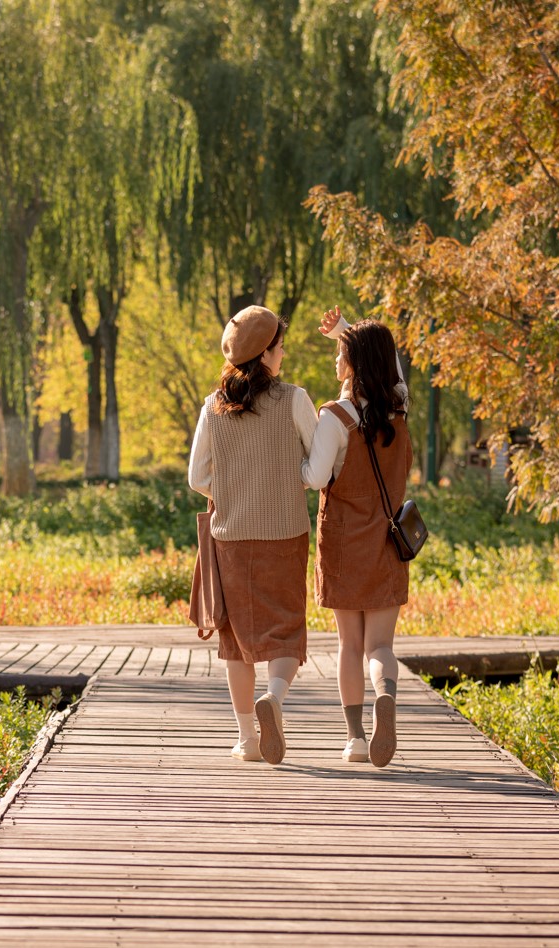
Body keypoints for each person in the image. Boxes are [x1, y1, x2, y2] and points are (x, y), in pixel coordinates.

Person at [188, 305, 318, 765]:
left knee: (235, 641)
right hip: (284, 532)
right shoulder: (295, 399)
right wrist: (290, 478)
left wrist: (231, 488)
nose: (283, 354)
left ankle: (246, 739)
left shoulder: (213, 405)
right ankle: (275, 700)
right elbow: (317, 466)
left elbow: (197, 477)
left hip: (231, 537)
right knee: (285, 630)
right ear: (266, 352)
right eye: (280, 347)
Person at [304, 309, 413, 768]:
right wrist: (347, 329)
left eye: (340, 353)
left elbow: (314, 477)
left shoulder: (335, 417)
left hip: (345, 542)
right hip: (389, 542)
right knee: (380, 648)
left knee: (349, 645)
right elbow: (393, 366)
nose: (335, 360)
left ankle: (354, 738)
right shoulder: (399, 406)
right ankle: (384, 695)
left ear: (353, 362)